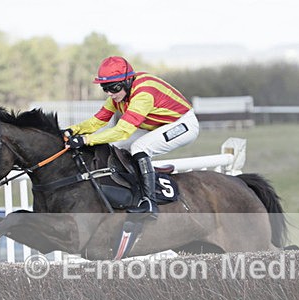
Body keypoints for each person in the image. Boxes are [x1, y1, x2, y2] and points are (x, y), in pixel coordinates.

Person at [64, 56, 199, 219]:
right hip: (157, 125)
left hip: (183, 124)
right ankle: (133, 190)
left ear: (127, 81)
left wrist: (86, 140)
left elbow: (123, 130)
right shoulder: (119, 94)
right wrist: (73, 130)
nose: (110, 93)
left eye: (113, 88)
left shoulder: (143, 93)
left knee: (139, 147)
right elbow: (98, 121)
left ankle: (149, 203)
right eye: (105, 88)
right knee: (117, 147)